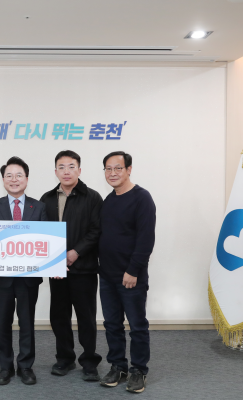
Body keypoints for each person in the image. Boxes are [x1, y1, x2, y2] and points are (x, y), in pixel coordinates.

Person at [39, 150, 103, 381]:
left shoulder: (93, 197)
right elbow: (41, 233)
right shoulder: (46, 199)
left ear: (79, 170)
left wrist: (76, 252)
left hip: (84, 268)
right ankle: (65, 358)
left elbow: (96, 230)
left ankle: (89, 361)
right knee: (59, 316)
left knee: (86, 317)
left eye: (71, 166)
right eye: (62, 167)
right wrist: (53, 260)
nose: (66, 171)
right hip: (56, 270)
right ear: (55, 171)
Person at [0, 156, 48, 386]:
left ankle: (25, 366)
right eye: (9, 175)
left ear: (26, 179)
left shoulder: (39, 207)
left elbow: (46, 242)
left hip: (29, 278)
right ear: (3, 180)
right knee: (3, 323)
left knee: (27, 323)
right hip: (2, 278)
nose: (14, 179)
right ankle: (5, 367)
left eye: (19, 175)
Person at [98, 151, 156, 394]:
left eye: (118, 168)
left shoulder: (142, 198)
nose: (112, 173)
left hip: (131, 276)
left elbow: (146, 239)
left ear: (129, 169)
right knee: (112, 324)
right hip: (107, 276)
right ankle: (118, 366)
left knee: (137, 325)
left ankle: (139, 370)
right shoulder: (108, 200)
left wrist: (133, 270)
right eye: (108, 169)